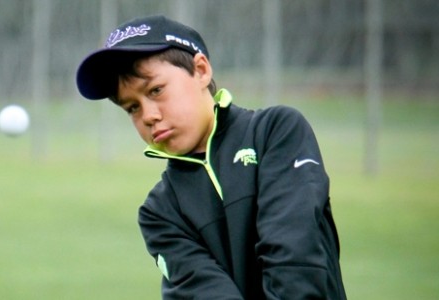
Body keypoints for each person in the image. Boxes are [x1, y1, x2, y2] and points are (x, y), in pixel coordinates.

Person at [76, 15, 347, 299]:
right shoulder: (160, 211)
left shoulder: (275, 132)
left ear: (201, 71)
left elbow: (294, 261)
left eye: (156, 90)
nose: (148, 116)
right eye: (132, 108)